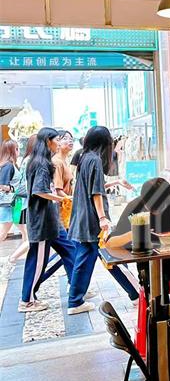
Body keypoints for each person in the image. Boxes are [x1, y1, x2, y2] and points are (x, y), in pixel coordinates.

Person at [18, 128, 76, 314]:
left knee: (70, 250)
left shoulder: (43, 162)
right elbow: (39, 191)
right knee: (37, 261)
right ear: (47, 141)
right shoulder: (41, 163)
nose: (58, 143)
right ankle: (27, 300)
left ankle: (76, 288)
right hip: (42, 221)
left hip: (51, 220)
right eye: (56, 140)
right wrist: (62, 199)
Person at [66, 125, 115, 315]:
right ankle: (75, 301)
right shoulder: (94, 160)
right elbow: (96, 193)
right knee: (88, 258)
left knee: (85, 258)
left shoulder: (85, 157)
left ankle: (75, 298)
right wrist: (102, 218)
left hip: (81, 216)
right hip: (90, 219)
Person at [6, 136, 36, 266]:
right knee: (24, 232)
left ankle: (22, 256)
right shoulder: (12, 165)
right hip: (20, 202)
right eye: (16, 149)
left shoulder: (22, 161)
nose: (18, 151)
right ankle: (13, 258)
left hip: (18, 201)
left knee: (24, 231)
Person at [52, 130, 74, 230]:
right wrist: (72, 200)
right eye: (65, 138)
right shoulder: (57, 162)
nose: (70, 141)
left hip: (66, 206)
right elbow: (57, 190)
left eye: (71, 139)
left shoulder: (64, 161)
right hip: (61, 209)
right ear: (57, 142)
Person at [0, 139, 19, 242]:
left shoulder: (9, 164)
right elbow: (2, 185)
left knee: (23, 229)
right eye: (16, 149)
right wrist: (13, 188)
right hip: (8, 203)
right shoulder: (8, 165)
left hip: (13, 203)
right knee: (3, 232)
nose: (18, 151)